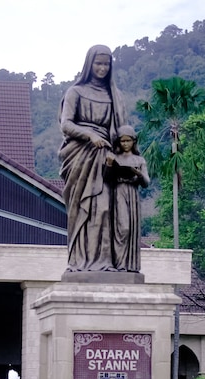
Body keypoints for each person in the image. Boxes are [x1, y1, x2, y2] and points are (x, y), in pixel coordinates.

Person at [59, 45, 127, 272]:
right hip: (80, 156)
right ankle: (79, 261)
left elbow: (121, 130)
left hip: (106, 157)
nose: (102, 68)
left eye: (106, 64)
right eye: (98, 63)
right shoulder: (75, 92)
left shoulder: (114, 96)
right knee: (81, 208)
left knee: (105, 208)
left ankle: (104, 261)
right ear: (90, 64)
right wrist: (89, 135)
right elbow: (66, 124)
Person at [106, 125, 150, 272]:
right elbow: (106, 178)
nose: (125, 144)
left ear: (134, 141)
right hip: (119, 192)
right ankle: (119, 264)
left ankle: (130, 265)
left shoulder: (139, 159)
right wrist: (109, 165)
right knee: (122, 227)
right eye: (122, 141)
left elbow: (146, 183)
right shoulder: (115, 157)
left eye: (128, 141)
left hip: (133, 193)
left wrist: (138, 174)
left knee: (131, 229)